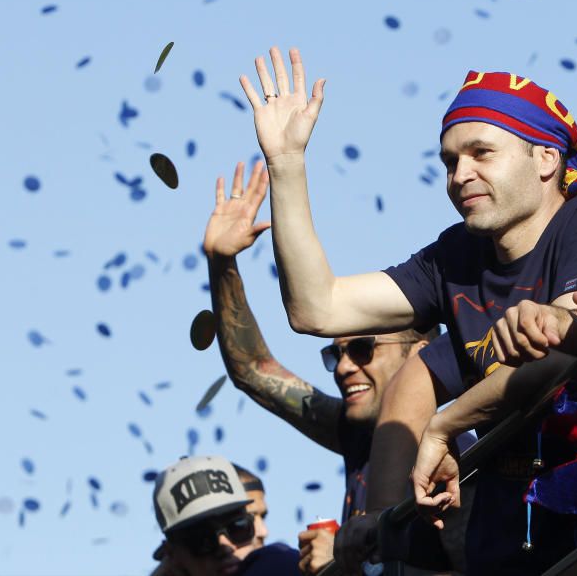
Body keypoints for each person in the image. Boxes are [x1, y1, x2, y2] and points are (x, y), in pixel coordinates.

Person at [238, 55, 577, 574]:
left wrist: (444, 425)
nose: (460, 175)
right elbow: (316, 307)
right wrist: (287, 163)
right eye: (450, 161)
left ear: (545, 158)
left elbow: (566, 356)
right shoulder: (454, 257)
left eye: (481, 153)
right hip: (504, 545)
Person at [200, 163, 467, 574]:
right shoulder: (358, 435)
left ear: (421, 351)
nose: (344, 367)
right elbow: (253, 370)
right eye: (334, 355)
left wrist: (348, 565)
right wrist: (222, 264)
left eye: (362, 350)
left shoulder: (453, 454)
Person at [152, 455, 298, 576]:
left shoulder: (280, 565)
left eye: (238, 527)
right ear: (172, 554)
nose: (226, 547)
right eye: (203, 540)